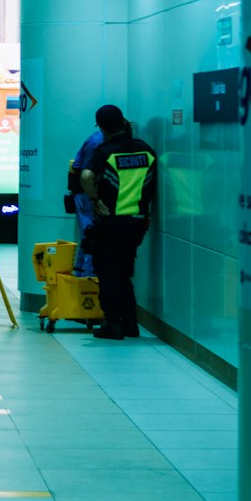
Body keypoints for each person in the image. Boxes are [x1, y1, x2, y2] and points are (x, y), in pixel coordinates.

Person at [81, 104, 157, 341]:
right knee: (124, 273)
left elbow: (85, 176)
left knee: (108, 273)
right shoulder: (146, 150)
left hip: (111, 221)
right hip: (137, 222)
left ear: (102, 127)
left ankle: (113, 324)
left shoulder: (105, 152)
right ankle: (130, 324)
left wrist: (95, 199)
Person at [69, 124, 105, 276]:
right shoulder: (98, 142)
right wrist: (95, 198)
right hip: (88, 195)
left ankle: (81, 279)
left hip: (86, 195)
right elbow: (86, 174)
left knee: (88, 239)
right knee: (92, 239)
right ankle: (88, 283)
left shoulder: (97, 139)